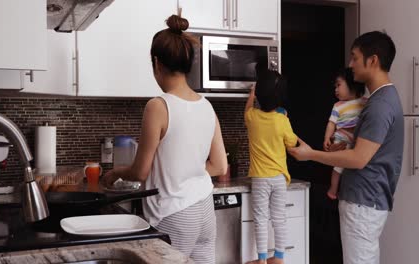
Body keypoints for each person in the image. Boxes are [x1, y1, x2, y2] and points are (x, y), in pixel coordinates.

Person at [102, 14, 227, 264]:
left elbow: (140, 172)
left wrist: (114, 174)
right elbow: (219, 166)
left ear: (157, 63)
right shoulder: (206, 106)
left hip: (175, 213)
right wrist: (184, 170)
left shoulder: (158, 106)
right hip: (204, 209)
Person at [288, 31, 403, 264]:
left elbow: (359, 159)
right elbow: (367, 148)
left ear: (373, 61)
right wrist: (343, 144)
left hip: (362, 202)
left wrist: (310, 154)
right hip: (367, 199)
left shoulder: (379, 105)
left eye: (354, 57)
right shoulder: (381, 100)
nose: (350, 65)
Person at [245, 64, 298, 264]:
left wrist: (251, 94)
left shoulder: (251, 117)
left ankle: (261, 260)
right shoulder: (282, 120)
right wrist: (285, 119)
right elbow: (291, 142)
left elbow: (248, 108)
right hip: (278, 178)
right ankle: (279, 257)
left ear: (259, 94)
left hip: (260, 178)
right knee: (279, 218)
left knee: (260, 219)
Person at [324, 68, 366, 200]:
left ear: (352, 85)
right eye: (335, 86)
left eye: (339, 85)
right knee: (338, 166)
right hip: (341, 138)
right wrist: (327, 138)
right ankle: (333, 189)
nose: (335, 89)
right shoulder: (337, 106)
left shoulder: (365, 102)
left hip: (358, 140)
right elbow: (331, 123)